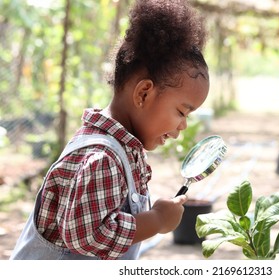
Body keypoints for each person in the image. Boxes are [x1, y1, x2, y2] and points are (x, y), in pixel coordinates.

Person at [10, 0, 209, 260]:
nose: (183, 125)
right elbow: (88, 234)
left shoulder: (121, 149)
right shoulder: (102, 157)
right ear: (144, 93)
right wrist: (157, 220)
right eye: (182, 112)